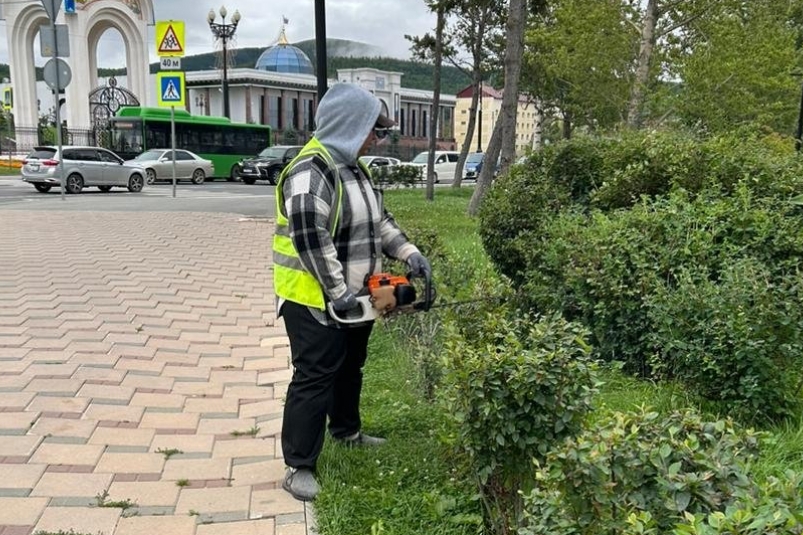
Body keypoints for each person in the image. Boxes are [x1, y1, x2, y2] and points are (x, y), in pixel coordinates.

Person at [273, 83, 431, 502]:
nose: (376, 138)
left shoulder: (355, 169)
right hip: (313, 299)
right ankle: (299, 465)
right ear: (349, 124)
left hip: (353, 299)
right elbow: (310, 238)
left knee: (349, 368)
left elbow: (380, 222)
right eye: (372, 129)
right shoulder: (312, 169)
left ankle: (346, 431)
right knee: (314, 377)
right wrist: (337, 290)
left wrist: (409, 253)